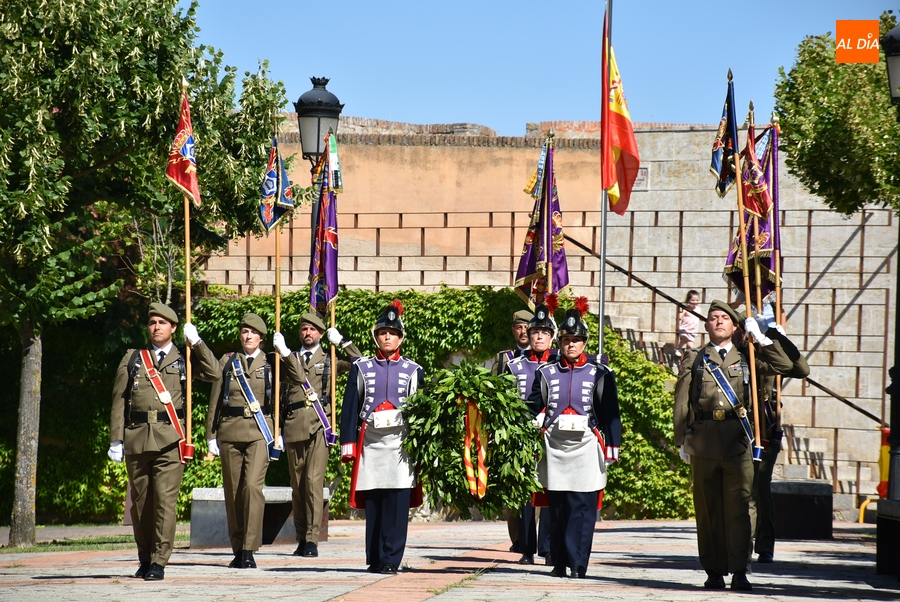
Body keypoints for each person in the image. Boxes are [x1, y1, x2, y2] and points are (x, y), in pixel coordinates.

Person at [673, 300, 793, 591]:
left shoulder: (748, 356)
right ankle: (714, 570)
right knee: (708, 511)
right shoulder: (695, 358)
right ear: (706, 325)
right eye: (713, 317)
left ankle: (740, 569)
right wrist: (681, 441)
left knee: (739, 508)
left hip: (738, 442)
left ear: (735, 326)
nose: (718, 321)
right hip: (703, 443)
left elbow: (788, 366)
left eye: (724, 318)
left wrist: (765, 339)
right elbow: (682, 402)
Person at [108, 303, 218, 581]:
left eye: (162, 323)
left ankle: (159, 560)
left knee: (165, 503)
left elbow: (215, 373)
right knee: (141, 505)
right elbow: (119, 400)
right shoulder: (133, 358)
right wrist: (116, 439)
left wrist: (198, 343)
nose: (156, 327)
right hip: (136, 438)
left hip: (170, 440)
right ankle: (145, 558)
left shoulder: (185, 358)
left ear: (173, 328)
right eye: (152, 322)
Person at [528, 299, 621, 579]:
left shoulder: (601, 373)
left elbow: (610, 412)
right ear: (559, 342)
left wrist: (612, 446)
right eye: (567, 340)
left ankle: (579, 564)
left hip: (587, 445)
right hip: (554, 445)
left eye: (576, 340)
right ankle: (558, 563)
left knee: (582, 508)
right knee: (557, 508)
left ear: (584, 343)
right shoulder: (545, 373)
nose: (571, 345)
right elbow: (532, 407)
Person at [339, 300, 425, 575]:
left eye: (392, 333)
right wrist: (348, 444)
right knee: (374, 501)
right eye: (383, 333)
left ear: (401, 338)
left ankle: (391, 559)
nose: (387, 337)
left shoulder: (414, 370)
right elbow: (350, 407)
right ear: (376, 336)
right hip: (371, 442)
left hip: (401, 444)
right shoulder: (361, 367)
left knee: (397, 501)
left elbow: (422, 412)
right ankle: (375, 557)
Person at [271, 312, 361, 558]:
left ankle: (312, 539)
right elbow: (278, 395)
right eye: (304, 329)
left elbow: (360, 364)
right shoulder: (286, 357)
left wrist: (342, 342)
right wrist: (278, 430)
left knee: (312, 483)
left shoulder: (330, 358)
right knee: (298, 486)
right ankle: (301, 538)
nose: (307, 333)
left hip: (320, 426)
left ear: (321, 333)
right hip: (293, 425)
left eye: (312, 329)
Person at [197, 313, 278, 570]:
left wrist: (280, 431)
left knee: (252, 487)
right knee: (233, 492)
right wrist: (211, 435)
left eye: (253, 332)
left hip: (259, 432)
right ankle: (238, 547)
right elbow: (215, 398)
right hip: (230, 431)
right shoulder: (228, 361)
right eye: (245, 331)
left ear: (262, 337)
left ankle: (249, 548)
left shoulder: (272, 361)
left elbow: (287, 391)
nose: (248, 336)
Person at [741, 304, 809, 564]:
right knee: (744, 490)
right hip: (741, 428)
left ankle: (764, 544)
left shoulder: (772, 348)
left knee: (760, 488)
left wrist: (776, 337)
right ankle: (741, 544)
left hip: (766, 429)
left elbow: (800, 369)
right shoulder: (741, 350)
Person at [504, 305, 556, 565]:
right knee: (524, 491)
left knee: (550, 488)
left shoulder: (559, 365)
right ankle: (526, 547)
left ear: (551, 337)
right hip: (523, 434)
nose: (537, 336)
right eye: (535, 332)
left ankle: (548, 547)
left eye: (543, 332)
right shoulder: (513, 366)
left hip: (553, 435)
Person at [491, 308, 533, 553]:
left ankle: (539, 539)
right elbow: (494, 391)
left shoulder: (547, 356)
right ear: (513, 330)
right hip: (511, 430)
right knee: (513, 486)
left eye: (527, 327)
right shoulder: (503, 359)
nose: (523, 332)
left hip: (538, 427)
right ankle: (518, 540)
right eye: (519, 327)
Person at [675, 290, 701, 357]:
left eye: (697, 300)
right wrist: (681, 314)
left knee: (691, 347)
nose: (695, 302)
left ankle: (689, 359)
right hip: (684, 329)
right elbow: (679, 317)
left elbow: (700, 317)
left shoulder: (698, 309)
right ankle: (678, 348)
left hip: (693, 331)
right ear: (688, 300)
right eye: (693, 300)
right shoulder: (686, 309)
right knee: (685, 338)